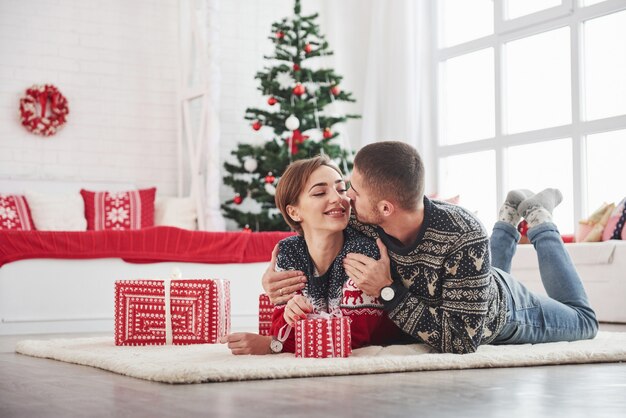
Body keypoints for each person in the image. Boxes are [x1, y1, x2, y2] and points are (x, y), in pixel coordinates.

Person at [263, 141, 598, 354]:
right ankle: (508, 217)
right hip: (468, 282)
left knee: (583, 323)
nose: (344, 197)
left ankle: (541, 221)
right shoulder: (362, 217)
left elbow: (462, 340)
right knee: (476, 275)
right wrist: (272, 277)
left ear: (385, 208)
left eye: (352, 190)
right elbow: (311, 226)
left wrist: (388, 291)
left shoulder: (462, 234)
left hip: (504, 312)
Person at [222, 155, 402, 355]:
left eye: (341, 189)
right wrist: (290, 315)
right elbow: (280, 330)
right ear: (294, 212)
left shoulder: (363, 251)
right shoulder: (289, 251)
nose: (337, 198)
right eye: (319, 193)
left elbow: (352, 338)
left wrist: (274, 346)